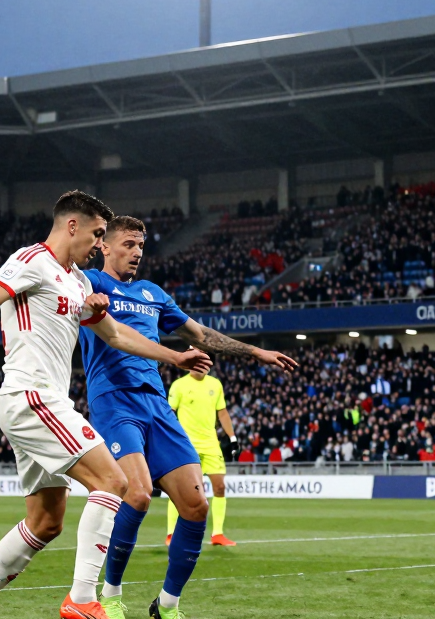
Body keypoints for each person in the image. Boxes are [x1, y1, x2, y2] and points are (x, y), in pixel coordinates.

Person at [0, 191, 211, 619]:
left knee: (46, 521)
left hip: (37, 404)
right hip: (32, 395)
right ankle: (83, 600)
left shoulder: (80, 282)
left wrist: (175, 357)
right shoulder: (33, 260)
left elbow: (118, 336)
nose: (98, 243)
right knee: (114, 481)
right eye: (97, 234)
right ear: (72, 226)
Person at [77, 215, 295, 619]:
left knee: (196, 505)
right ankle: (109, 594)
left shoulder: (152, 293)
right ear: (104, 246)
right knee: (138, 494)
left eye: (141, 246)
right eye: (128, 244)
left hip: (157, 404)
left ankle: (167, 605)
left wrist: (255, 352)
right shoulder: (90, 282)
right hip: (115, 402)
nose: (136, 253)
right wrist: (86, 302)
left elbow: (201, 334)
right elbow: (66, 293)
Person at [166, 363, 238, 547]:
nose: (199, 366)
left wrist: (232, 438)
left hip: (211, 444)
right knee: (181, 490)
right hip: (187, 444)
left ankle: (218, 535)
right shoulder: (179, 385)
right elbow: (169, 414)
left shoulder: (215, 384)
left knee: (220, 487)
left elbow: (222, 413)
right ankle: (171, 534)